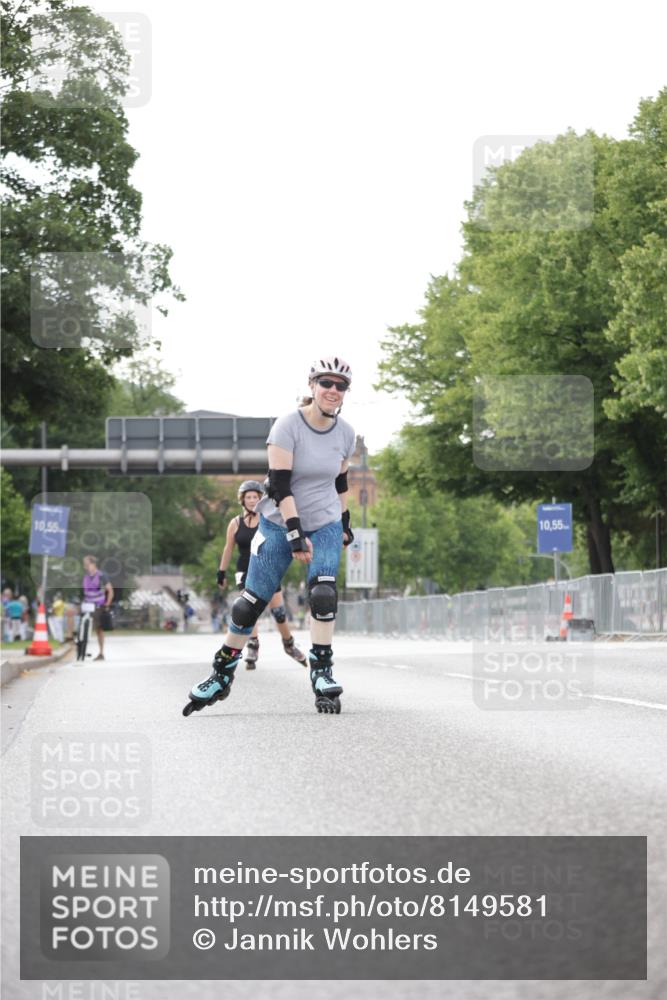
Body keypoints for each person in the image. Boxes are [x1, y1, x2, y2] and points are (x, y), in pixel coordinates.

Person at [185, 355, 356, 716]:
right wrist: (294, 532)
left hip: (323, 522)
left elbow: (340, 480)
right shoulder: (287, 426)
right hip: (279, 522)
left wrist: (344, 520)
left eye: (340, 386)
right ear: (312, 386)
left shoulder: (345, 433)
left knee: (323, 593)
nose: (333, 391)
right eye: (326, 383)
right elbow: (278, 483)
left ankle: (322, 673)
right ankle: (221, 673)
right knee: (249, 603)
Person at [216, 480, 307, 669]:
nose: (251, 500)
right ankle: (253, 645)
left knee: (279, 613)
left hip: (267, 568)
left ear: (260, 499)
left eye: (255, 497)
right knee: (248, 609)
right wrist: (221, 572)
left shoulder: (268, 521)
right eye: (248, 497)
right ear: (242, 500)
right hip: (244, 571)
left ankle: (288, 644)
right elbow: (228, 549)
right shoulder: (235, 523)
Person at [81, 555, 114, 660]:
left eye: (87, 564)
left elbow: (110, 590)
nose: (85, 566)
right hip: (87, 604)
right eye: (85, 564)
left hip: (98, 605)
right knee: (81, 625)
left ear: (93, 564)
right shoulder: (85, 577)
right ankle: (81, 645)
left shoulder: (101, 576)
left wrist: (107, 603)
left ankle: (101, 652)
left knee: (99, 629)